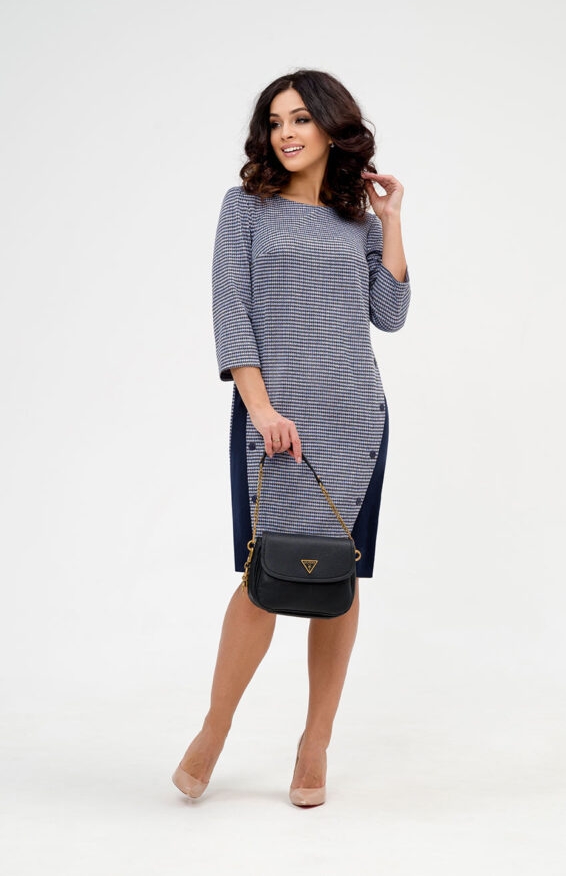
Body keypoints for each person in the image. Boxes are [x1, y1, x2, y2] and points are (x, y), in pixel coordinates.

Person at [172, 69, 411, 807]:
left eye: (301, 118)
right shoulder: (244, 208)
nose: (286, 133)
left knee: (339, 578)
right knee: (263, 578)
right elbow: (231, 314)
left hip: (352, 418)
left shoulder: (357, 223)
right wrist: (263, 409)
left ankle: (316, 743)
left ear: (333, 128)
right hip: (271, 420)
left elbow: (390, 314)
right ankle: (215, 728)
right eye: (276, 121)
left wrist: (391, 220)